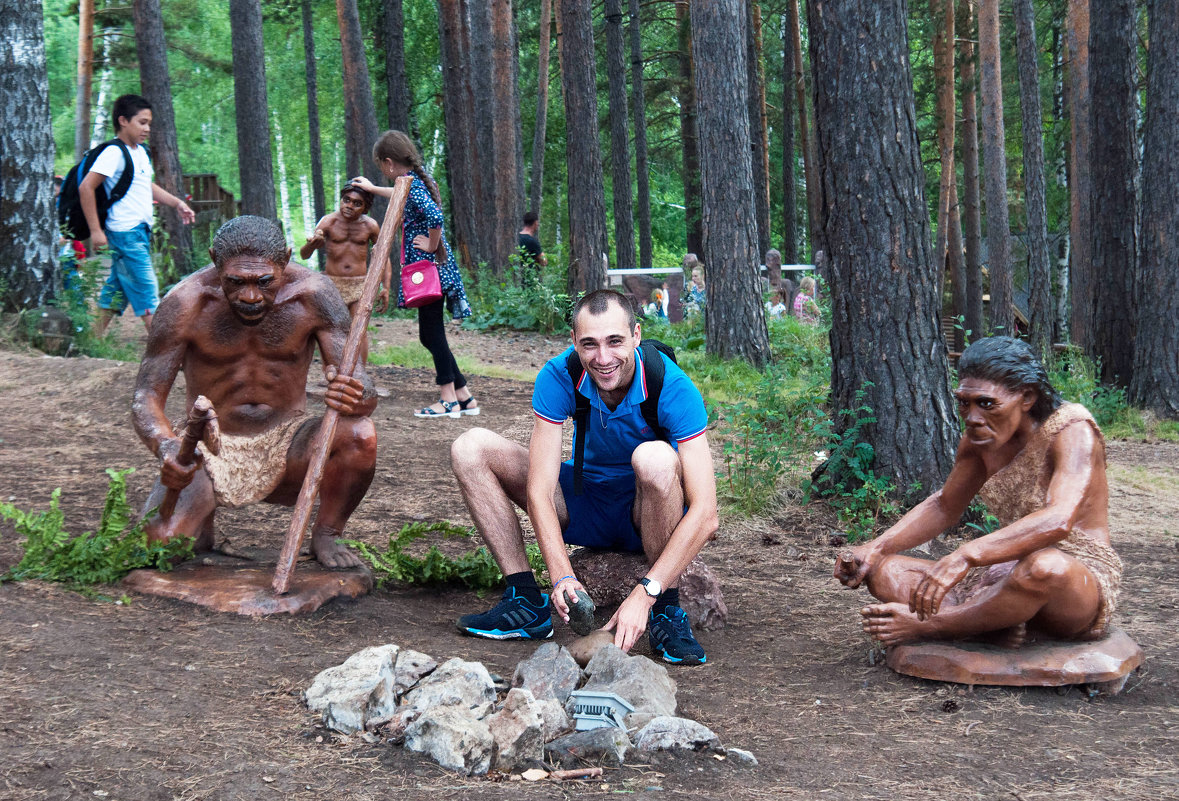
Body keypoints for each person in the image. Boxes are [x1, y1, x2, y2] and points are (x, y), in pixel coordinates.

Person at [449, 289, 718, 665]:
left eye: (615, 341)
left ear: (636, 336)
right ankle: (526, 600)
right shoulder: (559, 375)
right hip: (584, 503)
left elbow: (706, 512)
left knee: (655, 458)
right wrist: (561, 577)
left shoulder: (671, 387)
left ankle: (666, 611)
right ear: (574, 341)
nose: (603, 358)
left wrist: (645, 593)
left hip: (647, 514)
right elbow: (540, 491)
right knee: (470, 447)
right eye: (589, 344)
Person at [834, 336, 1123, 648]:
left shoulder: (1072, 430)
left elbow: (1058, 520)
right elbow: (945, 506)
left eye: (987, 404)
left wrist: (967, 555)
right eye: (964, 403)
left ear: (1026, 398)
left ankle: (938, 626)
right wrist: (875, 548)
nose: (972, 417)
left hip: (1073, 579)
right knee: (886, 571)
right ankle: (988, 622)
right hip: (1001, 570)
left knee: (1043, 568)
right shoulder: (979, 437)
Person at [132, 216, 377, 569]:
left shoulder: (315, 295)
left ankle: (327, 533)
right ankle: (201, 528)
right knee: (160, 547)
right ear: (215, 260)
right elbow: (146, 396)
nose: (250, 296)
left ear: (287, 259)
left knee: (359, 434)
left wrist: (356, 393)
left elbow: (362, 386)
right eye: (236, 282)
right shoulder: (185, 304)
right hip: (208, 447)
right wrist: (166, 445)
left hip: (289, 442)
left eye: (264, 281)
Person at [351, 130, 478, 419]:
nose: (382, 172)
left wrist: (431, 245)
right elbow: (403, 195)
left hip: (427, 272)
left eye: (381, 167)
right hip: (433, 271)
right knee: (430, 335)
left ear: (388, 162)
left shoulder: (415, 186)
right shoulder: (416, 181)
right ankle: (463, 395)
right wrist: (372, 189)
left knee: (431, 334)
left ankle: (448, 400)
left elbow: (435, 217)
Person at [79, 94, 195, 335]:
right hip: (124, 232)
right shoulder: (113, 152)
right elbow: (86, 187)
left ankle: (89, 340)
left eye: (149, 123)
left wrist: (177, 203)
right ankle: (166, 353)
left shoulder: (140, 152)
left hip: (139, 231)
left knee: (116, 290)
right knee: (147, 292)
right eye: (142, 122)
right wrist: (95, 231)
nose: (147, 129)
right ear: (123, 120)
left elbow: (144, 185)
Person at [299, 183, 383, 361]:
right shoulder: (328, 221)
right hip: (332, 283)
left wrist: (385, 286)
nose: (349, 206)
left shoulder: (371, 226)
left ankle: (360, 376)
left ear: (365, 207)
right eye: (346, 200)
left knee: (359, 329)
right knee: (331, 329)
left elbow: (383, 256)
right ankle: (333, 371)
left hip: (359, 283)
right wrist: (312, 245)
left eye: (357, 203)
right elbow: (304, 255)